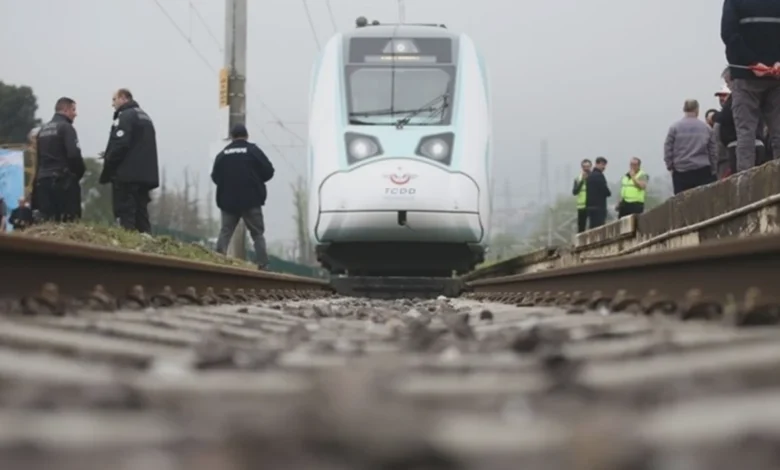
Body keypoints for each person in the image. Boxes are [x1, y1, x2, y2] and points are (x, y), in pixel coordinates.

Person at [721, 0, 780, 171]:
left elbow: (729, 34)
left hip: (746, 75)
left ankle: (745, 185)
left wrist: (751, 62)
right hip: (776, 76)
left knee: (745, 134)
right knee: (778, 132)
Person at [211, 123, 275, 270]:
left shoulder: (223, 154)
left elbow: (215, 177)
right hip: (251, 200)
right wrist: (257, 181)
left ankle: (218, 260)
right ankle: (263, 264)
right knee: (257, 234)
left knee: (225, 231)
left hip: (228, 202)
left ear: (232, 137)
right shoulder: (253, 151)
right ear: (246, 136)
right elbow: (269, 170)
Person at [100, 89, 160, 233]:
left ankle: (125, 249)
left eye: (114, 100)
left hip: (126, 177)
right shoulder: (145, 117)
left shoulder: (125, 116)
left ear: (123, 98)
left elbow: (121, 144)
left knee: (125, 216)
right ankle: (145, 248)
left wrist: (109, 160)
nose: (112, 104)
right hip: (144, 177)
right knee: (141, 216)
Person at [33, 97, 86, 222]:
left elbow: (38, 159)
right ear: (65, 110)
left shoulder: (42, 130)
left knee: (48, 221)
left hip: (43, 181)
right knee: (68, 221)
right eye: (73, 110)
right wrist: (78, 173)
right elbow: (74, 155)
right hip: (62, 181)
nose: (75, 114)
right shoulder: (66, 127)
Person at [664, 99, 717, 195]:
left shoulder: (674, 128)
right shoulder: (706, 128)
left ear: (684, 109)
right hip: (703, 170)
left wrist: (670, 166)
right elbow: (713, 151)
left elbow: (668, 148)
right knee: (703, 201)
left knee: (681, 204)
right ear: (697, 110)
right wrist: (713, 169)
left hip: (681, 171)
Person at [585, 156, 610, 229]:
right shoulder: (599, 176)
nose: (604, 167)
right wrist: (608, 193)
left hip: (590, 206)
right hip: (599, 207)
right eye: (602, 165)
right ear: (597, 164)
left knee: (592, 227)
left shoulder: (590, 176)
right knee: (599, 228)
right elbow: (605, 190)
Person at [571, 158, 591, 233]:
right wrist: (582, 180)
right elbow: (575, 192)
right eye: (584, 167)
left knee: (593, 226)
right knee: (581, 227)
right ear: (582, 167)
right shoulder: (577, 179)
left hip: (591, 205)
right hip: (581, 207)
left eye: (588, 166)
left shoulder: (594, 177)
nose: (586, 168)